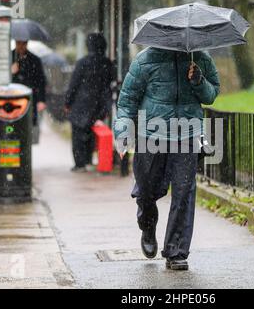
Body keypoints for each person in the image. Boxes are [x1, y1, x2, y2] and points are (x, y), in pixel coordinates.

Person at [114, 48, 220, 270]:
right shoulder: (145, 60)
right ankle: (148, 226)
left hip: (187, 134)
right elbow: (127, 101)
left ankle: (176, 252)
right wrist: (123, 133)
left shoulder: (199, 58)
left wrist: (198, 80)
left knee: (183, 193)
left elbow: (210, 95)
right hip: (151, 135)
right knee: (146, 191)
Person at [65, 33, 115, 173]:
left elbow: (73, 84)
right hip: (98, 104)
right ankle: (88, 160)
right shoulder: (107, 63)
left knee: (78, 135)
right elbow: (109, 84)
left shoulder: (83, 62)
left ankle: (80, 164)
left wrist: (68, 102)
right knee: (91, 133)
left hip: (80, 103)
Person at [12, 40, 47, 144]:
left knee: (28, 127)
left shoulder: (34, 59)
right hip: (12, 98)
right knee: (12, 126)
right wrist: (11, 73)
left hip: (30, 98)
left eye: (23, 43)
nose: (21, 46)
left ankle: (26, 144)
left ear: (26, 44)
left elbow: (41, 81)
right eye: (19, 43)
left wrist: (41, 100)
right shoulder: (9, 57)